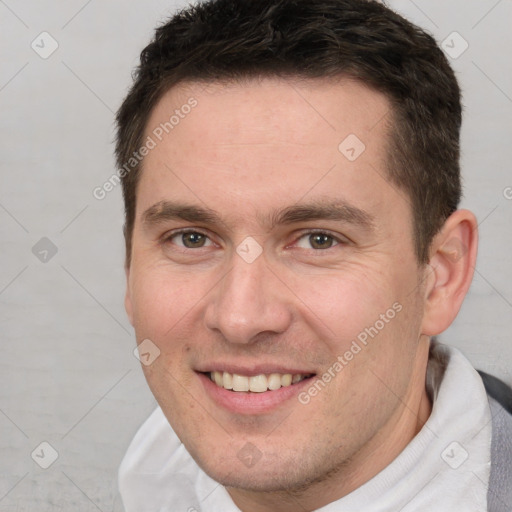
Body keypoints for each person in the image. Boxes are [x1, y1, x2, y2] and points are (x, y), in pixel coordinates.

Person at [114, 0, 512, 510]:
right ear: (129, 266)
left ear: (441, 275)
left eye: (318, 240)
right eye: (192, 238)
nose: (240, 318)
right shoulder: (156, 473)